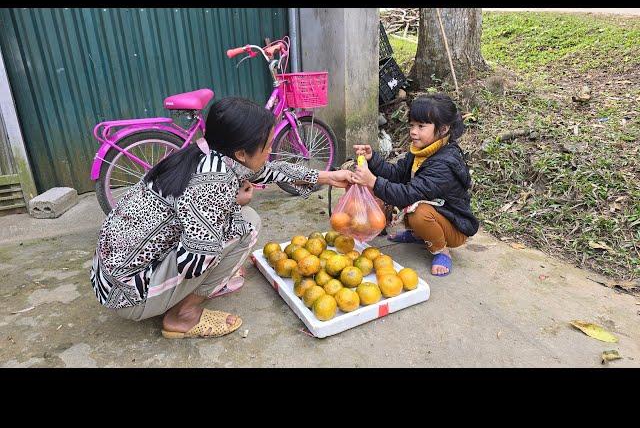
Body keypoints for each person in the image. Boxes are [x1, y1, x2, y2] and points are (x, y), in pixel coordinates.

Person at [90, 97, 352, 338]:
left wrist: (327, 176)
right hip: (128, 296)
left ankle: (185, 291)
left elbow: (265, 171)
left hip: (108, 277)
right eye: (268, 147)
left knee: (234, 220)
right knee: (247, 224)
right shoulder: (213, 182)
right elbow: (194, 262)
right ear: (240, 153)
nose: (270, 152)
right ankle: (183, 316)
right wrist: (227, 206)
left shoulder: (203, 153)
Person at [351, 93, 479, 276]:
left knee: (418, 213)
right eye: (412, 125)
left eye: (421, 126)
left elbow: (409, 193)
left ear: (443, 130)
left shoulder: (445, 164)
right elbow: (396, 174)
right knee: (406, 203)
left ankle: (442, 251)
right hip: (436, 211)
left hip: (454, 226)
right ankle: (419, 235)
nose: (413, 131)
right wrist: (373, 160)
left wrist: (373, 181)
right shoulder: (421, 152)